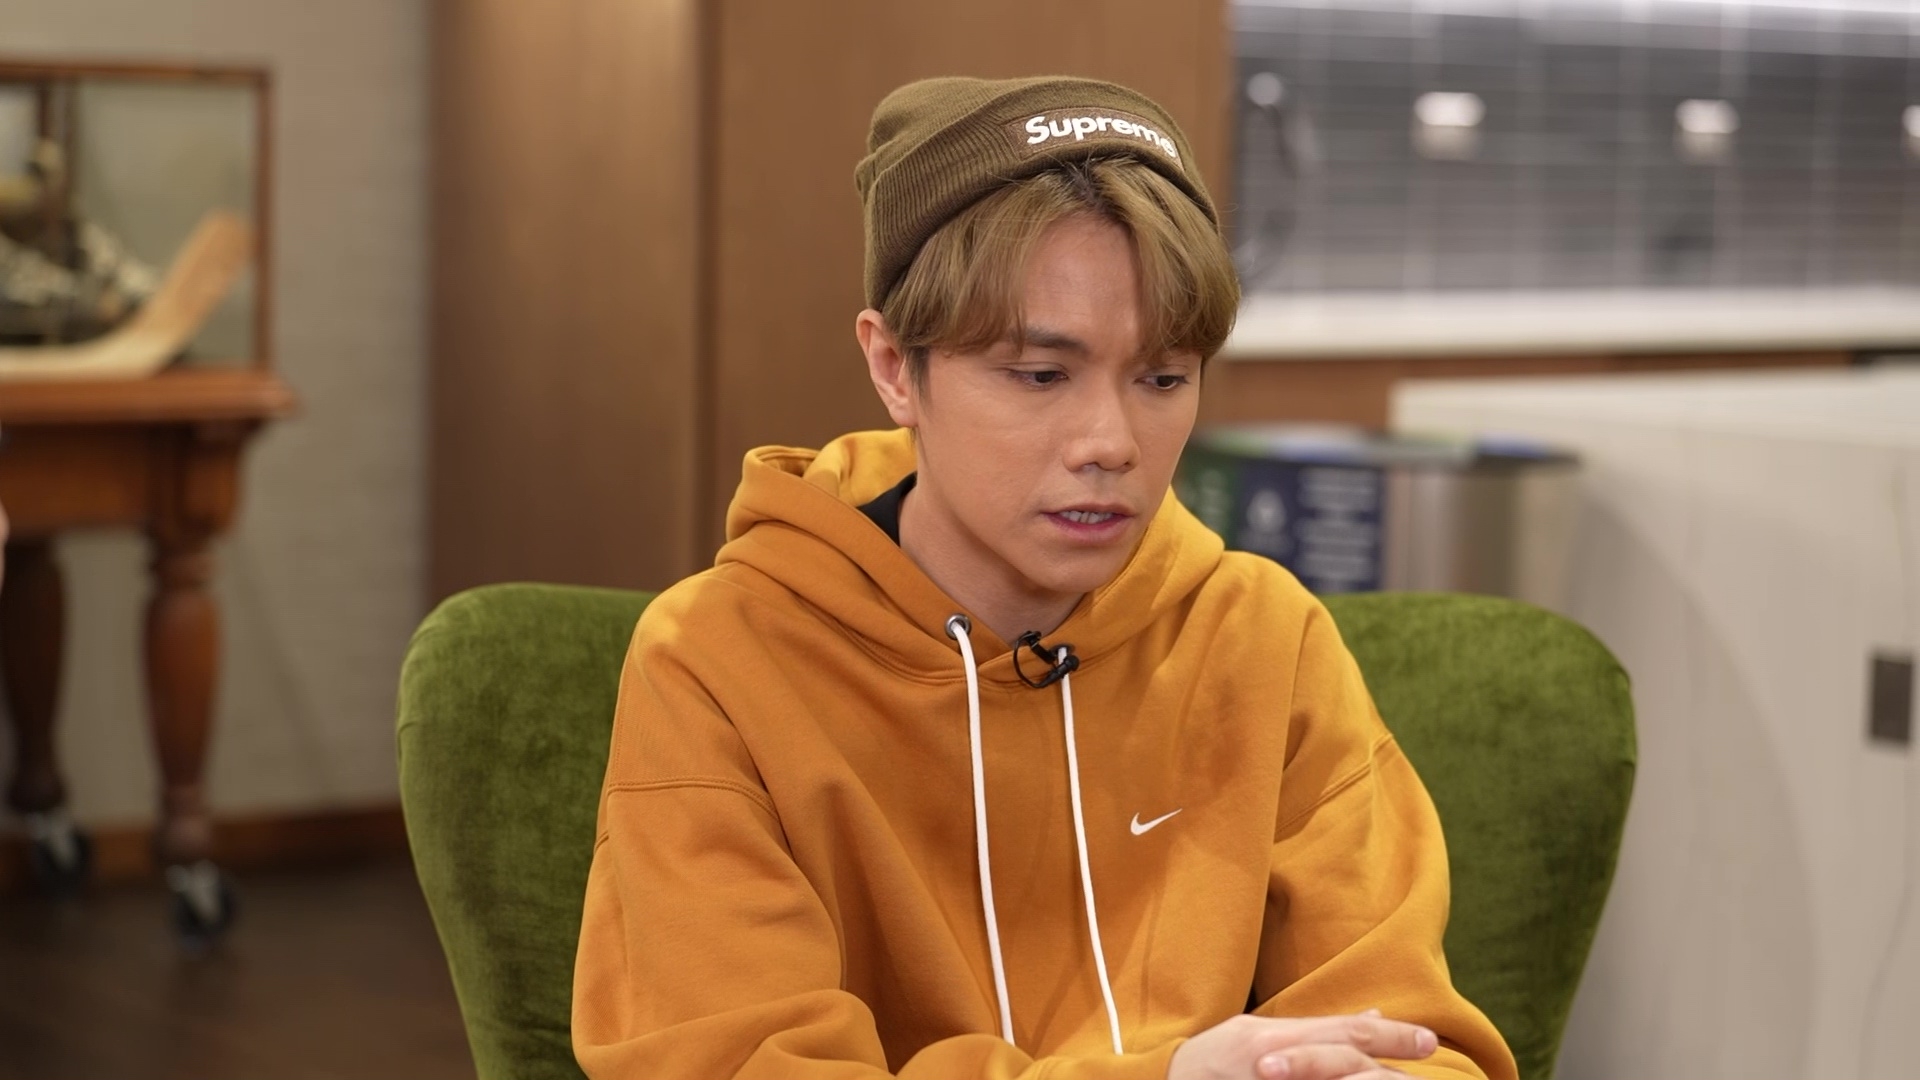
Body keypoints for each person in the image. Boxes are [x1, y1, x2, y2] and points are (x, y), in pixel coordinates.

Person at [571, 76, 1516, 1080]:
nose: (1112, 442)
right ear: (893, 367)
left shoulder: (1266, 638)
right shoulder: (717, 662)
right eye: (1040, 375)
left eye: (1163, 377)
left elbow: (1403, 1030)